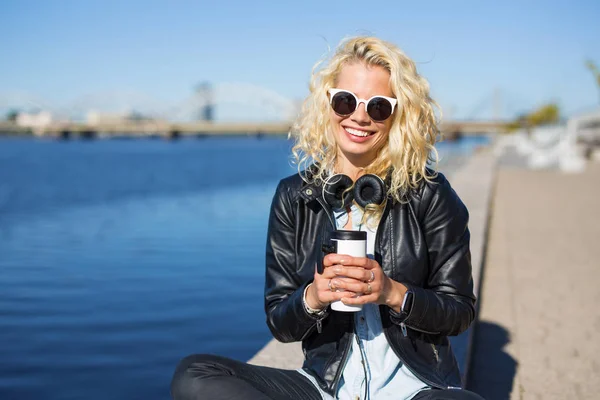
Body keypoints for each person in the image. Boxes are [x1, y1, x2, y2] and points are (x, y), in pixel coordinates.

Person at [171, 36, 484, 400]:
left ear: (398, 116)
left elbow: (459, 311)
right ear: (328, 104)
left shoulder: (429, 194)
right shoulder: (294, 197)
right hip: (323, 388)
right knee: (194, 375)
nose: (360, 116)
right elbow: (280, 320)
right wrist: (314, 297)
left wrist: (392, 293)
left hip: (415, 389)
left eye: (378, 106)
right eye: (346, 101)